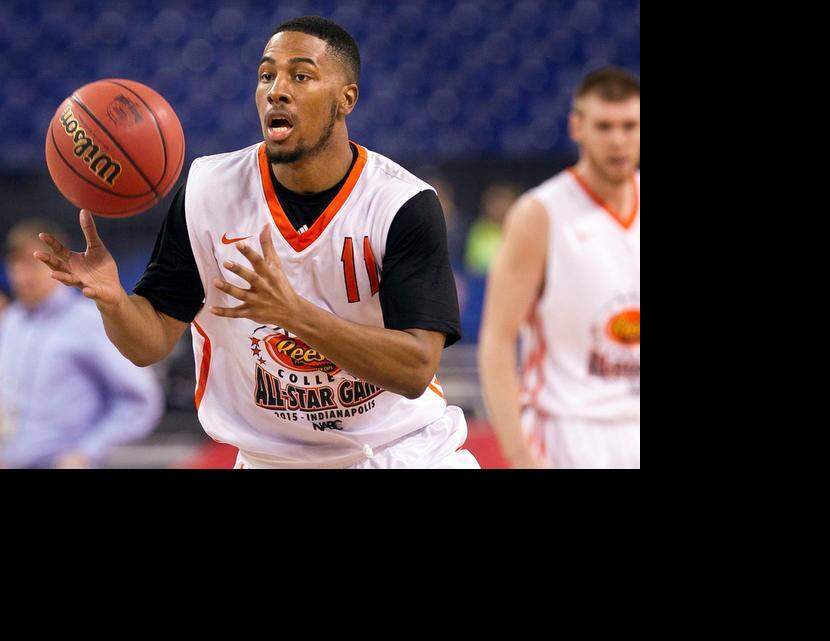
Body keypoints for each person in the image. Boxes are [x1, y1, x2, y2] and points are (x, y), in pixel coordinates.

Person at [35, 16, 476, 469]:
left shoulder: (401, 204)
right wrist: (113, 301)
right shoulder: (208, 191)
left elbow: (415, 369)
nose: (276, 90)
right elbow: (149, 344)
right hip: (268, 459)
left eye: (300, 76)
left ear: (346, 99)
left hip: (397, 450)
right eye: (267, 75)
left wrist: (294, 314)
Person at [479, 68, 640, 469]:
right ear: (577, 127)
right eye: (604, 126)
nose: (617, 140)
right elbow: (497, 341)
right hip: (568, 430)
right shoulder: (540, 214)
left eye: (629, 126)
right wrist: (519, 455)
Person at [0, 220, 163, 468]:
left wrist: (87, 452)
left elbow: (141, 399)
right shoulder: (11, 321)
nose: (22, 275)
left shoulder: (89, 321)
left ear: (56, 263)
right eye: (15, 264)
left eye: (32, 265)